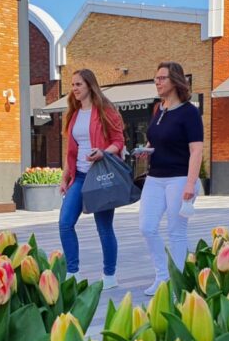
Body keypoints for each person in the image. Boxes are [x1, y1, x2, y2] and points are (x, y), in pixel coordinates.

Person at [138, 62, 204, 296]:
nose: (157, 82)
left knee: (176, 232)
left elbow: (196, 150)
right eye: (155, 78)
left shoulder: (189, 112)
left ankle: (177, 283)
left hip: (179, 178)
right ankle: (162, 276)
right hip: (155, 178)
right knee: (147, 227)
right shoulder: (159, 109)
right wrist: (147, 148)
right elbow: (157, 139)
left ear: (175, 81)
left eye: (162, 78)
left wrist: (190, 183)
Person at [59, 68, 125, 289]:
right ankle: (73, 273)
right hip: (79, 177)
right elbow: (71, 151)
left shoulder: (106, 111)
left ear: (90, 85)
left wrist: (103, 152)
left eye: (78, 84)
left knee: (104, 228)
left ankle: (109, 276)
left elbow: (119, 142)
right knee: (65, 223)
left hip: (100, 177)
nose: (74, 88)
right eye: (73, 85)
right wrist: (65, 177)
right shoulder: (74, 114)